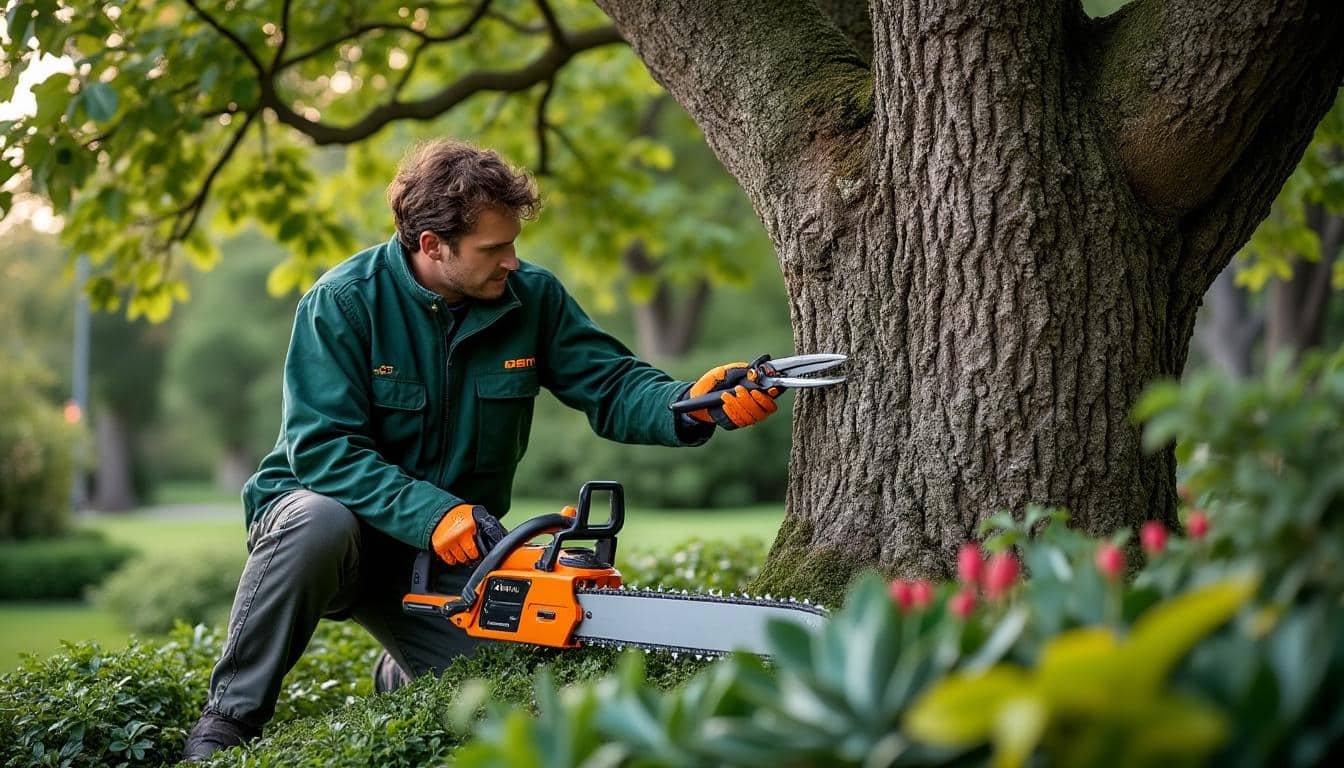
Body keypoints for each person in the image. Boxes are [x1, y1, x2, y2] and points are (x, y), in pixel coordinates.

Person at [181, 138, 781, 760]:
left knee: (507, 702)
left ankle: (402, 673)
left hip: (449, 554)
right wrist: (430, 513)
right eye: (494, 249)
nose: (512, 262)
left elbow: (610, 383)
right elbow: (323, 448)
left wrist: (693, 403)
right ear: (432, 246)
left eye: (514, 243)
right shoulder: (343, 303)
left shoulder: (533, 299)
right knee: (316, 519)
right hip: (331, 541)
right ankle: (228, 722)